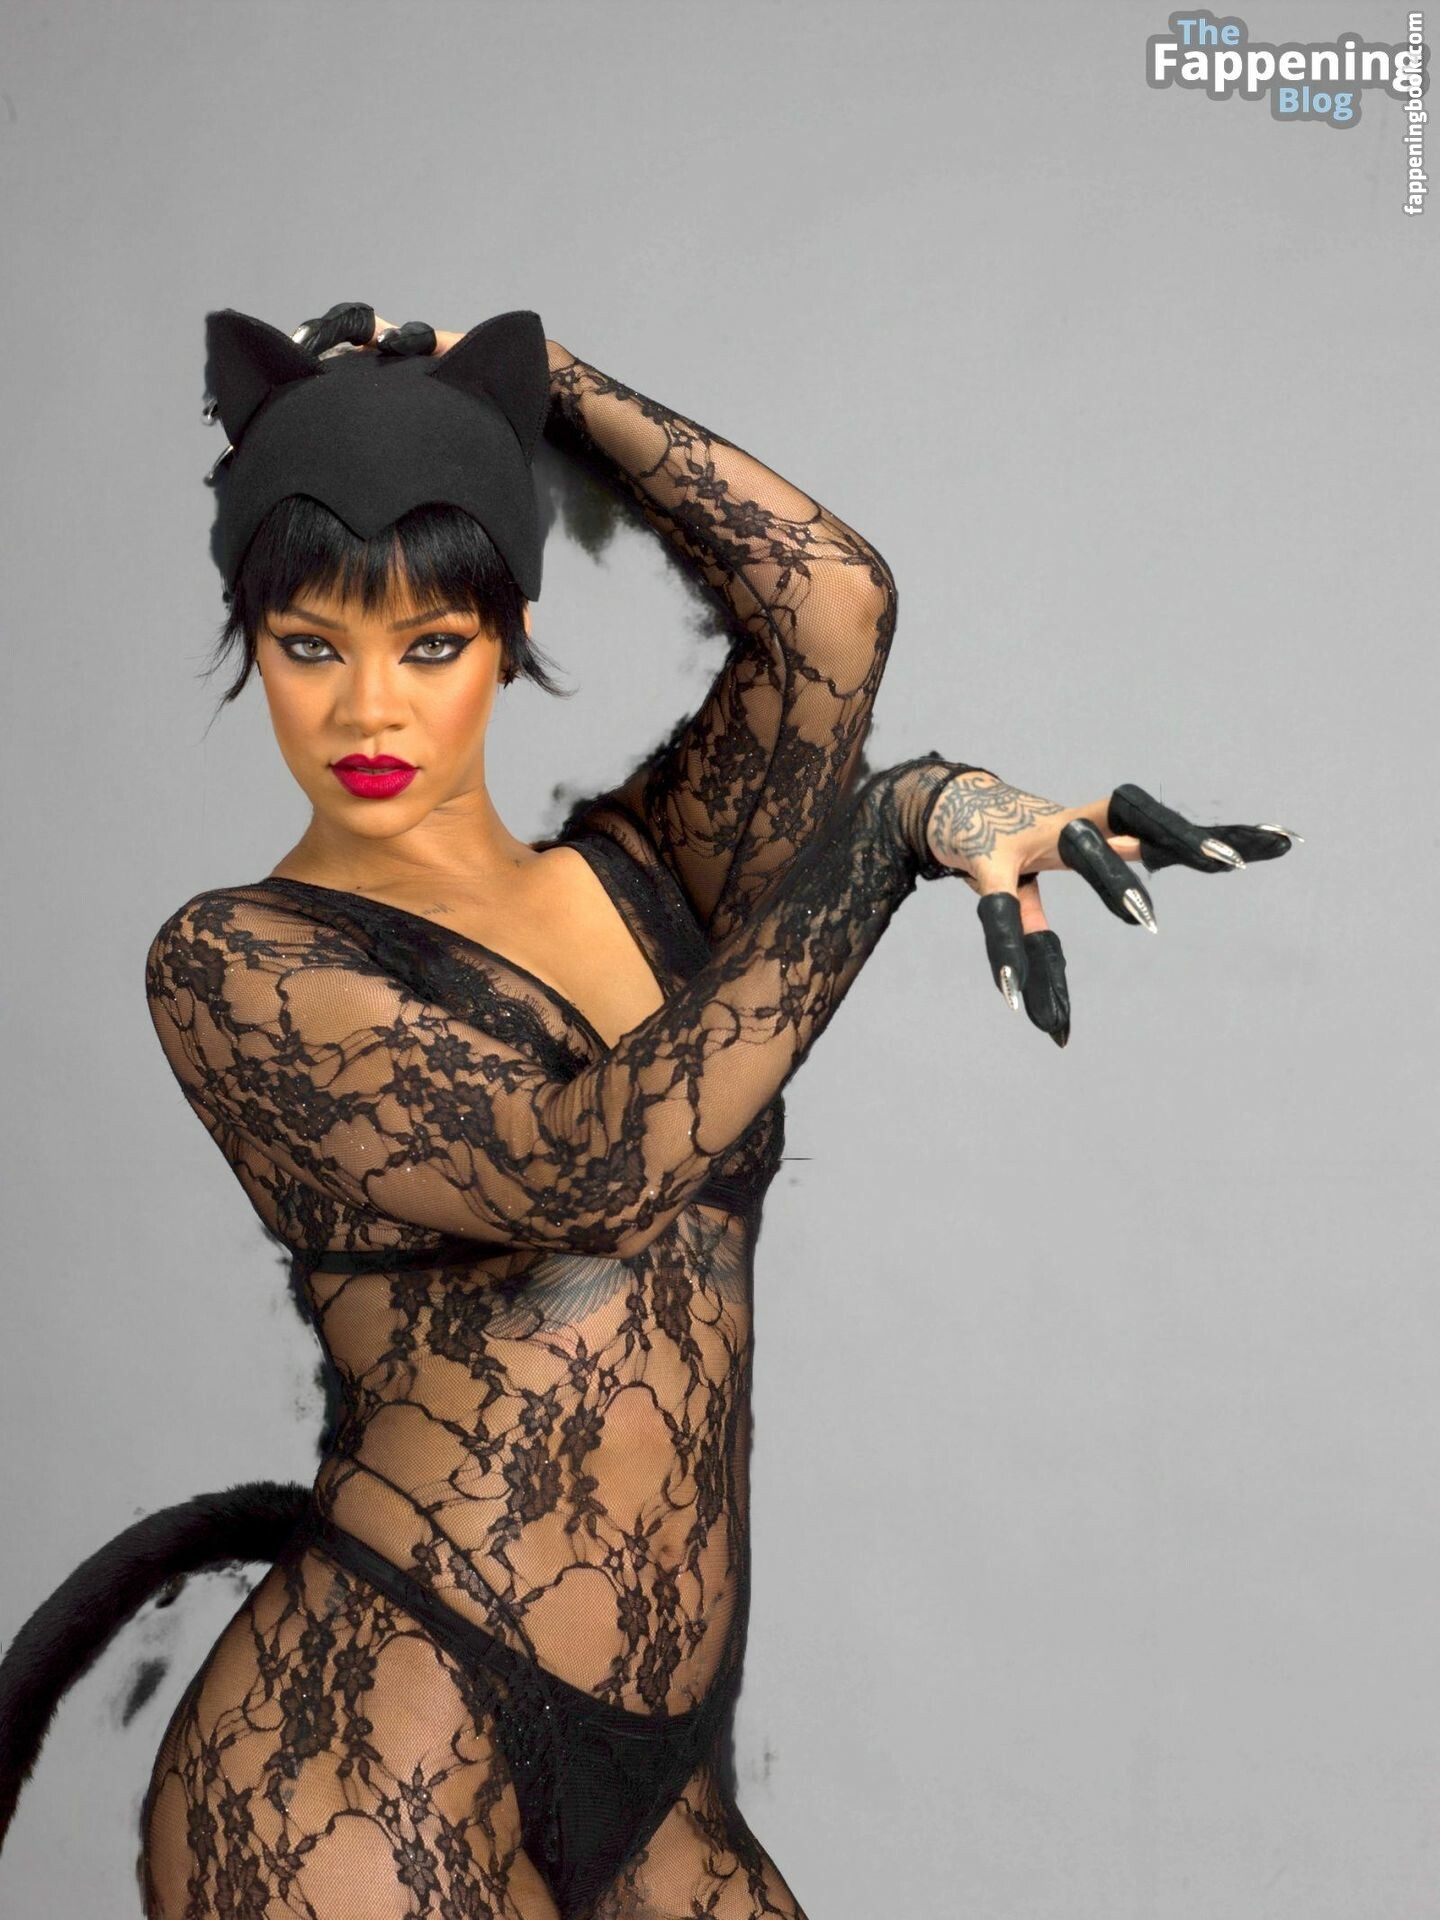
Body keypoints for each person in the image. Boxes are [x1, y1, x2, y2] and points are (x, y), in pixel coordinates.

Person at [0, 302, 1297, 1919]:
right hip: (364, 1762)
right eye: (310, 647)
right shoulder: (237, 965)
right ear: (251, 642)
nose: (368, 712)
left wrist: (540, 385)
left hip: (654, 1772)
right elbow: (585, 1172)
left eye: (430, 645)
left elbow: (832, 608)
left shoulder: (644, 876)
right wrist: (897, 821)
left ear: (509, 630)